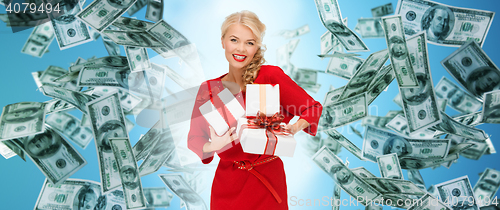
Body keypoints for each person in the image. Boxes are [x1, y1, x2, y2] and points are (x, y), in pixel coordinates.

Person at [187, 11, 322, 210]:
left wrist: (292, 129)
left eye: (249, 42)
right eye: (234, 40)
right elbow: (194, 139)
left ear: (257, 46)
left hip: (267, 182)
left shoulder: (270, 76)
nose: (241, 48)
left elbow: (312, 108)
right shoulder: (208, 89)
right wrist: (212, 145)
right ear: (222, 41)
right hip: (227, 185)